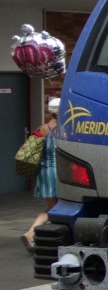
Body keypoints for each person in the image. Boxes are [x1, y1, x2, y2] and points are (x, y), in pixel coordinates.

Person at [21, 96, 59, 253]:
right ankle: (32, 233)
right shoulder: (63, 129)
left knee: (51, 207)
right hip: (57, 172)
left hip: (43, 172)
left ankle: (43, 237)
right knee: (56, 207)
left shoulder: (42, 129)